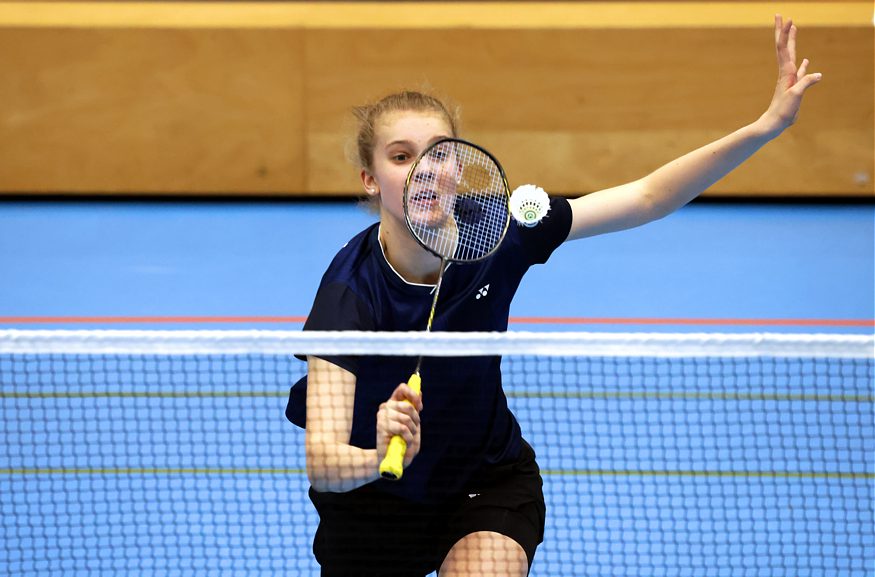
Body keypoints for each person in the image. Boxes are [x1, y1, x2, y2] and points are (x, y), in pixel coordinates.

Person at [286, 15, 820, 577]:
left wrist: (764, 128)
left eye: (440, 153)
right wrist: (377, 455)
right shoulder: (349, 295)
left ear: (459, 165)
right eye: (401, 157)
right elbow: (323, 463)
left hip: (481, 484)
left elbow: (645, 198)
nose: (426, 171)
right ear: (370, 179)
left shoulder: (499, 230)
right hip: (376, 505)